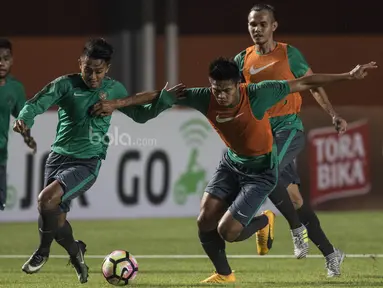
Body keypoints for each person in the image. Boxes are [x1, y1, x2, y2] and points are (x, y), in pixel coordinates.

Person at [91, 57, 376, 283]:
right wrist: (117, 103)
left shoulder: (258, 94)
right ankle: (225, 275)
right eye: (216, 89)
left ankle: (264, 221)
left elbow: (304, 82)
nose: (222, 96)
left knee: (228, 232)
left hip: (262, 171)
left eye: (227, 90)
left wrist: (348, 76)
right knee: (204, 221)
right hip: (231, 163)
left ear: (238, 84)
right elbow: (156, 95)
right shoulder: (205, 97)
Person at [13, 38, 183, 284]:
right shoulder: (65, 84)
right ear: (79, 63)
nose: (92, 76)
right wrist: (24, 118)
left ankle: (42, 252)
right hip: (57, 158)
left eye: (98, 71)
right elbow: (37, 103)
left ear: (108, 69)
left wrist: (164, 101)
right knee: (56, 221)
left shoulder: (114, 90)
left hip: (87, 163)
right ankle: (76, 252)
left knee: (45, 200)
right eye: (87, 69)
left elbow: (140, 115)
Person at [234, 3, 351, 276]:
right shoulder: (242, 59)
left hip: (287, 129)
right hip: (260, 134)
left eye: (263, 24)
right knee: (295, 200)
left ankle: (296, 229)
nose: (257, 29)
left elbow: (312, 84)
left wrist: (333, 114)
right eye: (253, 24)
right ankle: (332, 254)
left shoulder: (289, 54)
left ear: (273, 26)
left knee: (267, 173)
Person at [0, 38, 36, 211]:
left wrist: (28, 138)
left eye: (6, 59)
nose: (1, 63)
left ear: (12, 60)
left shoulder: (15, 88)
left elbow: (22, 120)